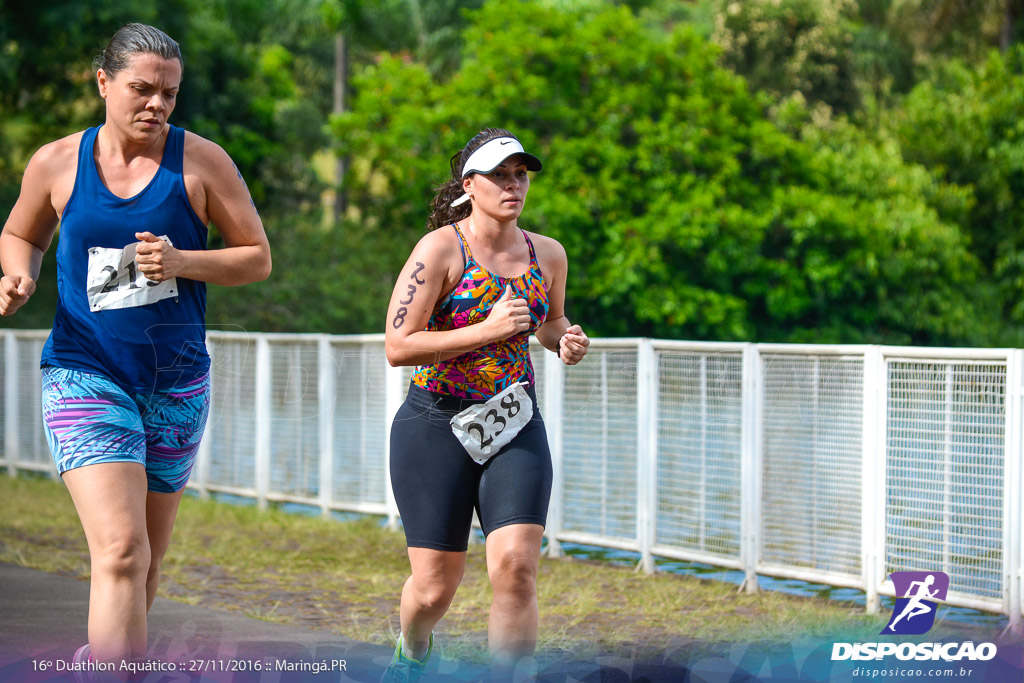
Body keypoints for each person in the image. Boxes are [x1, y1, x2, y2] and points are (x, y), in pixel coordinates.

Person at [0, 23, 271, 678]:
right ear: (103, 83)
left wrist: (183, 260)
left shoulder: (201, 162)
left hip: (175, 383)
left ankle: (102, 661)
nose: (156, 105)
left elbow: (256, 258)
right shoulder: (56, 161)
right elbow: (20, 232)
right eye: (141, 89)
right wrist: (19, 272)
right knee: (121, 551)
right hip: (84, 370)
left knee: (144, 560)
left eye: (169, 94)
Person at [383, 128, 589, 681]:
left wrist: (565, 339)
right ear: (469, 185)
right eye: (499, 175)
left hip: (515, 421)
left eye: (520, 174)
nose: (513, 185)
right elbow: (398, 346)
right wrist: (486, 329)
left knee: (517, 569)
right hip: (435, 425)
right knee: (432, 590)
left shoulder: (547, 253)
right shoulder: (440, 250)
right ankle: (411, 651)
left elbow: (548, 321)